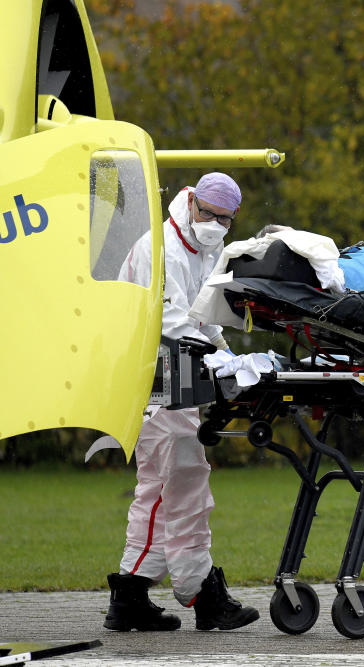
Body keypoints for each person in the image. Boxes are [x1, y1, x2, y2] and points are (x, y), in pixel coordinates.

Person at [104, 173, 259, 632]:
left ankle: (130, 594)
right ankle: (203, 594)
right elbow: (171, 322)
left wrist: (226, 351)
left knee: (156, 489)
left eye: (224, 219)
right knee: (186, 480)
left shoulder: (203, 248)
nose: (214, 223)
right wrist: (220, 359)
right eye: (208, 213)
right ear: (191, 202)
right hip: (153, 378)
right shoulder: (164, 248)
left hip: (169, 376)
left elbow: (203, 314)